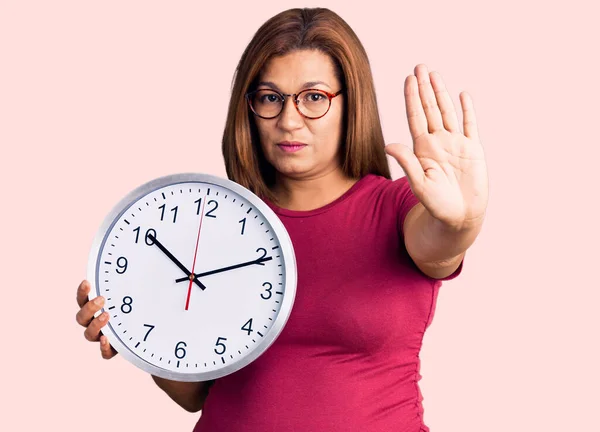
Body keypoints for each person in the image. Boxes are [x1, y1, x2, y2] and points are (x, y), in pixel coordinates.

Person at [76, 7, 488, 431]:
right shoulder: (217, 221)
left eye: (314, 98)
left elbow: (438, 244)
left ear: (352, 103)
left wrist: (461, 223)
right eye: (271, 98)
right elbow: (196, 395)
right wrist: (136, 340)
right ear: (249, 106)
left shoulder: (400, 206)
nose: (289, 121)